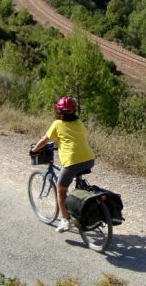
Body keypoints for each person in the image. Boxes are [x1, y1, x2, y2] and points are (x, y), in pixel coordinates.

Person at [30, 96, 95, 233]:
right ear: (74, 110)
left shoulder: (57, 124)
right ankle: (80, 203)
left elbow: (45, 140)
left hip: (72, 161)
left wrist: (34, 150)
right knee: (76, 178)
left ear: (59, 111)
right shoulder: (78, 123)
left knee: (61, 190)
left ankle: (65, 220)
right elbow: (77, 136)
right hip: (89, 159)